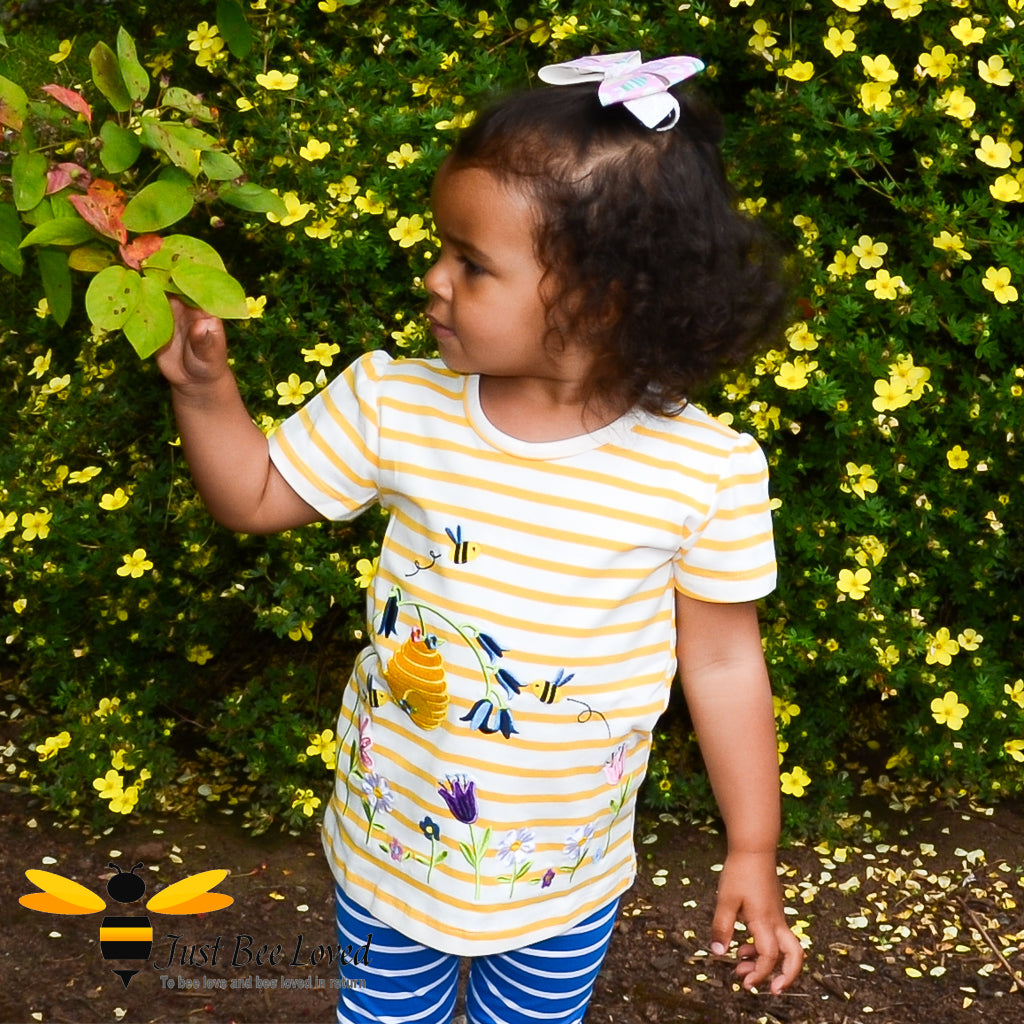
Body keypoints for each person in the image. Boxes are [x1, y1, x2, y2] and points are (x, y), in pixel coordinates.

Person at [158, 50, 803, 1024]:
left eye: (472, 262)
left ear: (603, 296)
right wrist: (204, 391)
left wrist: (751, 845)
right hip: (389, 856)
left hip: (564, 874)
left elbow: (721, 665)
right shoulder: (395, 403)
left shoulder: (703, 468)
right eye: (442, 247)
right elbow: (252, 494)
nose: (434, 279)